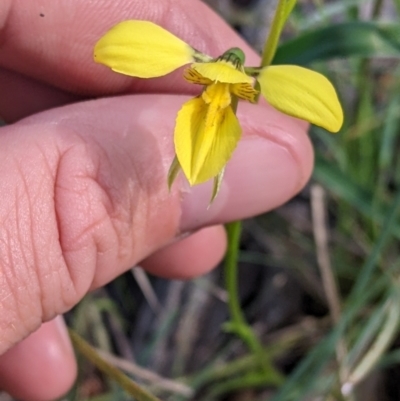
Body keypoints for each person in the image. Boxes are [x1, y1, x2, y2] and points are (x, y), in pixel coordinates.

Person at [0, 0, 313, 399]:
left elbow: (322, 108)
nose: (216, 97)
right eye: (212, 87)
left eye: (223, 91)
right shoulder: (197, 68)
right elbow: (112, 50)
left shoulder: (248, 81)